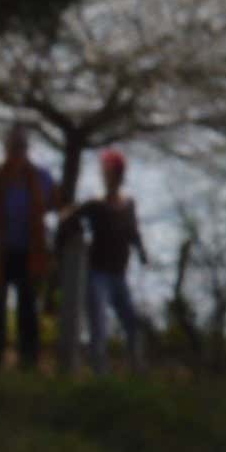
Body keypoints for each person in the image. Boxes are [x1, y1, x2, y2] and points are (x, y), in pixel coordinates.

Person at [0, 124, 62, 369]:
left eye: (21, 147)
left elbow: (55, 202)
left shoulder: (40, 178)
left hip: (29, 253)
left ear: (27, 150)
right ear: (6, 149)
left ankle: (28, 364)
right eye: (13, 147)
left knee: (28, 310)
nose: (17, 153)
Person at [76, 149, 152, 370]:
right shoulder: (95, 205)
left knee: (132, 324)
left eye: (114, 172)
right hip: (97, 273)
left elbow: (133, 232)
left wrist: (142, 253)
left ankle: (137, 370)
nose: (110, 176)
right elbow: (70, 217)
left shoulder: (128, 205)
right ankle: (100, 376)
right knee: (99, 328)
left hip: (119, 274)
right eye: (108, 172)